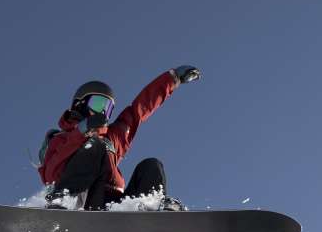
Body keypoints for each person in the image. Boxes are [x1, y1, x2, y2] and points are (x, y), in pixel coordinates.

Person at [38, 67, 201, 211]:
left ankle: (151, 213)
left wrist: (172, 79)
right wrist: (81, 133)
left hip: (114, 206)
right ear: (80, 104)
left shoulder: (113, 137)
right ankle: (65, 203)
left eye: (107, 108)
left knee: (151, 165)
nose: (102, 112)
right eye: (98, 104)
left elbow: (140, 108)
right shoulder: (60, 138)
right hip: (86, 201)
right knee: (94, 145)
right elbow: (51, 173)